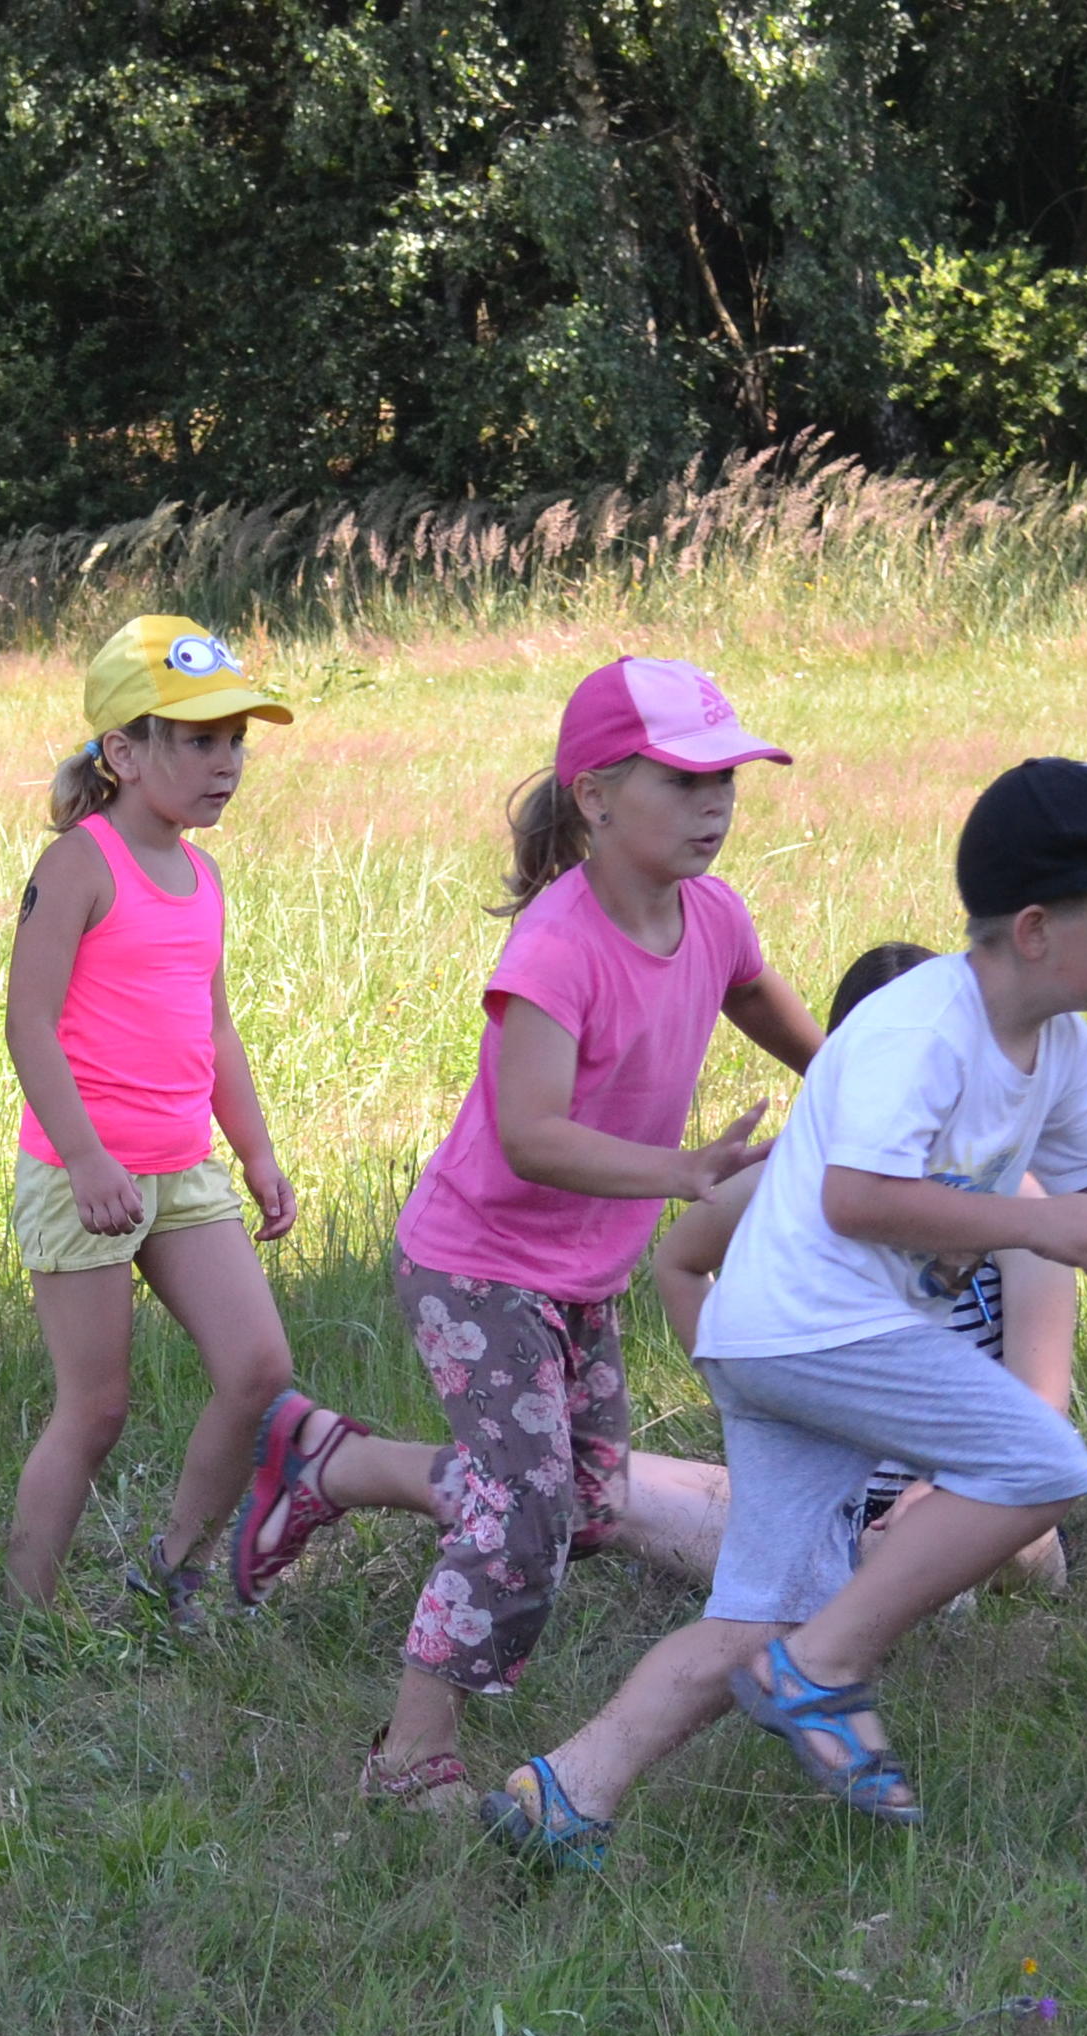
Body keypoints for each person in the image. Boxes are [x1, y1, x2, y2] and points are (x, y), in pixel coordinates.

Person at [479, 757, 1087, 1870]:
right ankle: (824, 1668)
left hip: (793, 1341)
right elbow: (855, 1199)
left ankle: (563, 1793)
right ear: (1037, 929)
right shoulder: (920, 1030)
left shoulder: (1056, 1045)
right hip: (818, 1329)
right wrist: (1038, 1226)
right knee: (1043, 1465)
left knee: (757, 1614)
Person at [222, 655, 822, 1809]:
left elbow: (769, 1010)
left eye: (727, 781)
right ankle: (409, 1762)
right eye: (684, 779)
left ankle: (329, 1462)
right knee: (525, 1512)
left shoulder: (714, 917)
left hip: (582, 1271)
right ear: (596, 796)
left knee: (584, 1504)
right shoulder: (558, 947)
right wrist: (680, 1172)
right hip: (478, 1267)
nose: (715, 804)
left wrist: (865, 1093)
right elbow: (532, 1133)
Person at [0, 615, 311, 1624]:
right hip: (83, 1175)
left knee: (259, 1372)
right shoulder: (79, 864)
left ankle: (168, 1576)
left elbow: (214, 1027)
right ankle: (21, 1625)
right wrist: (86, 1158)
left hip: (183, 1172)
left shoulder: (201, 875)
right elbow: (29, 1024)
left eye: (236, 742)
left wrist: (255, 1151)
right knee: (96, 1410)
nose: (228, 764)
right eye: (200, 741)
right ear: (125, 754)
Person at [648, 939, 1082, 1600]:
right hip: (827, 1502)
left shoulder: (1017, 1205)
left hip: (975, 1506)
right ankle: (844, 1570)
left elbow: (1037, 1416)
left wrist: (945, 1488)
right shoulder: (797, 1180)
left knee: (1016, 1536)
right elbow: (678, 1262)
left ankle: (847, 1578)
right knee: (601, 1481)